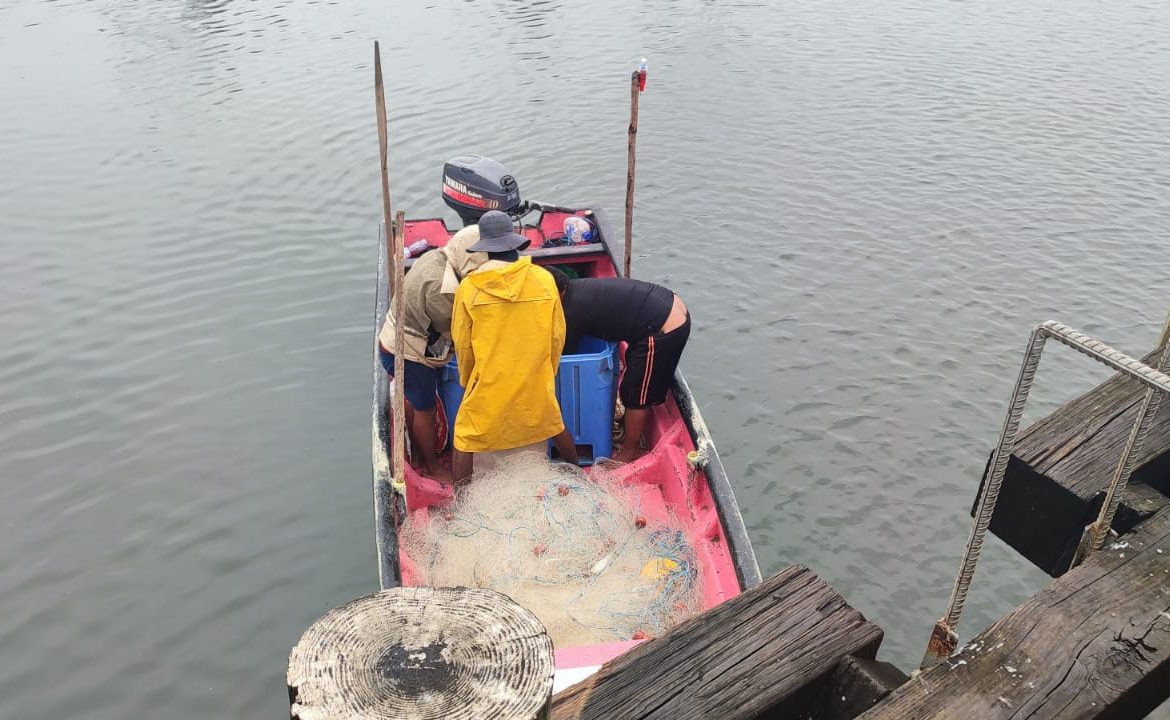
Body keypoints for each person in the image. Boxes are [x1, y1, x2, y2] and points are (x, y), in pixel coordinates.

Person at [450, 211, 579, 481]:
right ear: (513, 243)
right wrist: (546, 371)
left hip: (490, 382)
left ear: (485, 249)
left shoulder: (470, 288)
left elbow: (463, 345)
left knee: (464, 435)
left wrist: (468, 380)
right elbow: (557, 336)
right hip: (534, 378)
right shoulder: (544, 280)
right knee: (552, 420)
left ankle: (461, 496)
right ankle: (578, 474)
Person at [378, 226, 488, 483]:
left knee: (414, 401)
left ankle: (417, 457)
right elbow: (457, 329)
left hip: (393, 339)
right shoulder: (443, 288)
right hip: (407, 351)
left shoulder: (437, 257)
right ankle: (431, 467)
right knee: (424, 409)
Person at [546, 268, 690, 463]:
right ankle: (629, 425)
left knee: (636, 392)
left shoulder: (571, 310)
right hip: (664, 305)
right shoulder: (578, 289)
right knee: (634, 379)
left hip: (663, 326)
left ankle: (629, 452)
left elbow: (563, 352)